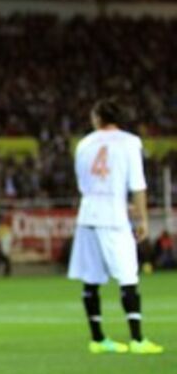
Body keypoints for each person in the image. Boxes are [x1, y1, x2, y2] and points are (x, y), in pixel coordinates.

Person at [68, 98, 163, 355]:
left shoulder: (83, 144)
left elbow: (84, 183)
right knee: (128, 276)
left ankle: (98, 339)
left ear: (98, 118)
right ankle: (137, 340)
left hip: (88, 214)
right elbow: (138, 185)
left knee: (91, 279)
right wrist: (142, 219)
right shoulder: (130, 142)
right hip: (113, 217)